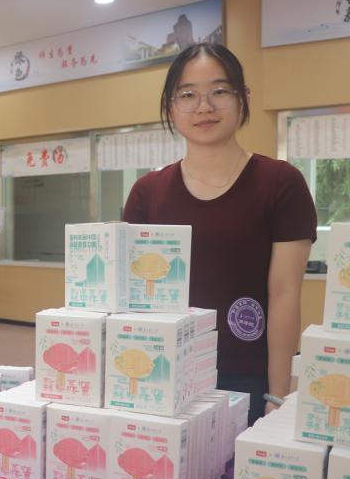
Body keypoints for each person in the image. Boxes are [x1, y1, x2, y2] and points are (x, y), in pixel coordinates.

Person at [122, 43, 317, 425]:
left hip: (244, 375)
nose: (204, 107)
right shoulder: (148, 192)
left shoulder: (280, 183)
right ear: (170, 106)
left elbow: (284, 293)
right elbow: (129, 295)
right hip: (162, 372)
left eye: (220, 91)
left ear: (244, 98)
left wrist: (276, 394)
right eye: (187, 95)